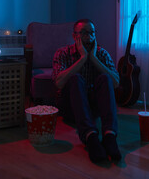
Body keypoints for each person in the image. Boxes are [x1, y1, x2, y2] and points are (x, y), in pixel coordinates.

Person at [52, 19, 121, 162]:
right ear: (74, 36)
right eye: (83, 33)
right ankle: (90, 137)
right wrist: (83, 58)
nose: (88, 37)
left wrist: (94, 59)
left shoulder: (101, 53)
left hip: (93, 108)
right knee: (75, 78)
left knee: (105, 78)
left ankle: (109, 135)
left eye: (91, 33)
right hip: (70, 106)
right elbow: (59, 83)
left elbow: (115, 83)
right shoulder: (62, 53)